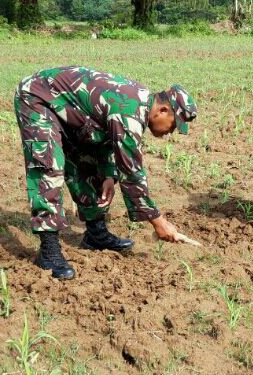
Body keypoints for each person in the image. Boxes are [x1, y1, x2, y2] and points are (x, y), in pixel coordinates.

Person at [14, 67, 197, 280]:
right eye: (174, 125)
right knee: (48, 166)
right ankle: (48, 251)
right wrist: (159, 222)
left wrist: (109, 174)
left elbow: (107, 139)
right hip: (37, 97)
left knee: (90, 162)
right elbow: (132, 173)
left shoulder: (139, 104)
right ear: (163, 110)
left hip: (71, 110)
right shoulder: (130, 111)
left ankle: (95, 234)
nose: (171, 132)